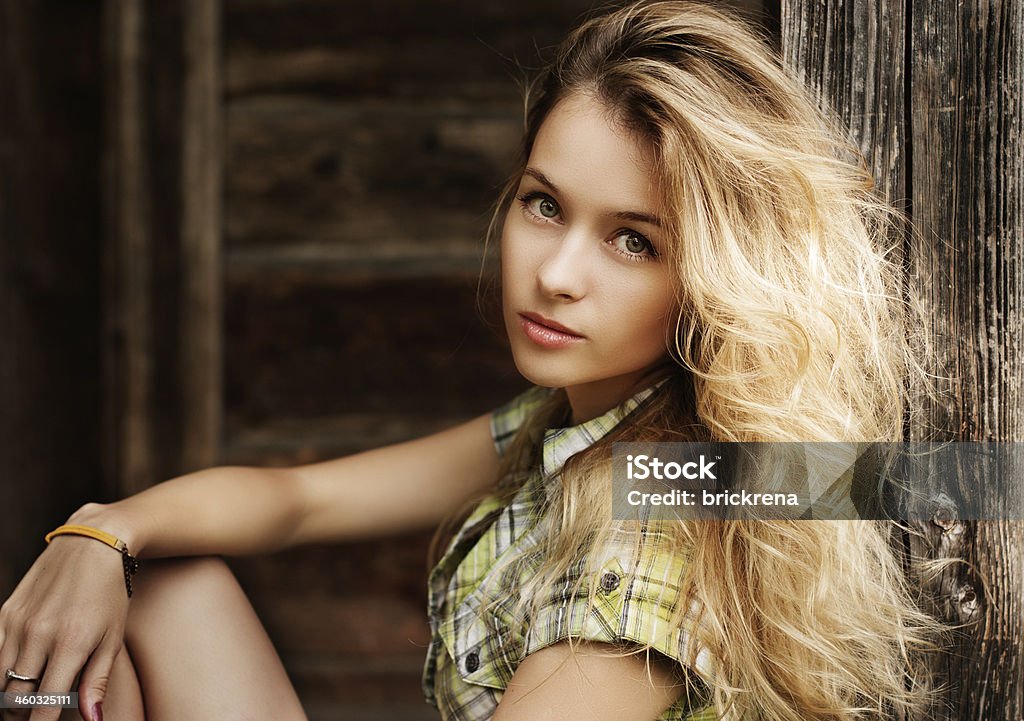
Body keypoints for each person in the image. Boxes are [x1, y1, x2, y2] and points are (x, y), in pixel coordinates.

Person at [0, 2, 945, 720]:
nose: (558, 274)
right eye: (545, 204)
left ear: (715, 278)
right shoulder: (587, 431)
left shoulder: (645, 539)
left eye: (634, 242)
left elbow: (959, 483)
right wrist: (99, 532)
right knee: (161, 578)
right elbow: (302, 502)